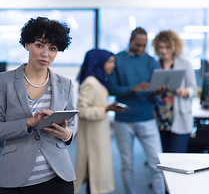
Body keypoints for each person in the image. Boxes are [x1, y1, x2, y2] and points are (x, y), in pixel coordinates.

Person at [0, 17, 77, 194]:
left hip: (59, 177)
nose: (45, 54)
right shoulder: (4, 81)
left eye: (53, 48)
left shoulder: (65, 84)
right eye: (39, 45)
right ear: (27, 44)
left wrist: (67, 134)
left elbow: (72, 126)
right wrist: (29, 122)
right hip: (16, 178)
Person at [108, 27, 165, 194]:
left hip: (146, 117)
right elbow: (111, 88)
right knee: (127, 164)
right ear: (130, 41)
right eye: (137, 45)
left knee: (157, 163)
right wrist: (132, 89)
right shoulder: (117, 60)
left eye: (144, 45)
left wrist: (157, 92)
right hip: (124, 119)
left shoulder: (151, 61)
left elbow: (153, 93)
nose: (141, 49)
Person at [74, 49, 125, 194]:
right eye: (109, 62)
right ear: (99, 62)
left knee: (96, 174)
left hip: (98, 134)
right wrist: (105, 108)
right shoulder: (91, 82)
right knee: (93, 174)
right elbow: (81, 110)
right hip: (92, 138)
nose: (112, 65)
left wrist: (108, 108)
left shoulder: (99, 80)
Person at [152, 30, 197, 153]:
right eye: (161, 47)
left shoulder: (185, 64)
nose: (164, 50)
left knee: (177, 156)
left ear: (174, 47)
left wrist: (183, 91)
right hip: (160, 118)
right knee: (162, 157)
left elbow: (193, 89)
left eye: (167, 47)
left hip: (179, 116)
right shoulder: (154, 64)